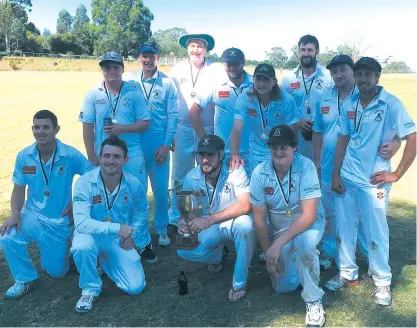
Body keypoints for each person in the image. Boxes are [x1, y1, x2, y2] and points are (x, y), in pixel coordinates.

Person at [326, 57, 416, 306]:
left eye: (368, 75)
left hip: (374, 181)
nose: (364, 79)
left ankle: (382, 281)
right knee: (344, 227)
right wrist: (335, 174)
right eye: (360, 74)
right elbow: (343, 138)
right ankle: (347, 273)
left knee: (376, 231)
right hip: (348, 177)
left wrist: (396, 174)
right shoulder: (350, 103)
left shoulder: (390, 103)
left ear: (377, 77)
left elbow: (412, 137)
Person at [311, 55, 401, 270]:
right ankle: (332, 252)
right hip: (328, 166)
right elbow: (317, 132)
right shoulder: (323, 98)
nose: (339, 75)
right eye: (335, 71)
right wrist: (316, 161)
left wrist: (396, 144)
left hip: (358, 169)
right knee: (333, 214)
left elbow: (393, 131)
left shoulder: (364, 94)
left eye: (343, 70)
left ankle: (369, 254)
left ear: (352, 72)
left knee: (363, 216)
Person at [0, 110, 93, 299]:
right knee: (7, 236)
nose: (40, 131)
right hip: (32, 215)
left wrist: (77, 203)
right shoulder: (24, 156)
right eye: (36, 127)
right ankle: (24, 279)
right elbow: (18, 189)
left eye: (45, 127)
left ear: (56, 129)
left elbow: (92, 177)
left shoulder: (70, 154)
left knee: (57, 273)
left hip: (59, 221)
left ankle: (67, 254)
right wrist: (16, 214)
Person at [79, 52, 157, 262]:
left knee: (136, 196)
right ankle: (108, 242)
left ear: (122, 68)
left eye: (115, 67)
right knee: (104, 199)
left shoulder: (133, 91)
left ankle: (141, 241)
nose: (111, 71)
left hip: (132, 153)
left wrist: (122, 128)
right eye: (107, 67)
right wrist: (92, 156)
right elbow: (87, 128)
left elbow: (145, 122)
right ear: (102, 69)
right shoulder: (93, 93)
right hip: (104, 155)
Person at [250, 125, 326, 327]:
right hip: (280, 229)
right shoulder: (259, 173)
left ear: (294, 147)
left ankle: (314, 301)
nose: (278, 151)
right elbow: (259, 220)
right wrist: (269, 255)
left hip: (308, 223)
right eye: (273, 146)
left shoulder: (306, 166)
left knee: (304, 245)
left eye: (284, 146)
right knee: (283, 287)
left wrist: (277, 245)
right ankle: (299, 264)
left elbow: (309, 216)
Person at [71, 136, 150, 313]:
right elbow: (82, 223)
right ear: (99, 158)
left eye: (116, 156)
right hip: (91, 235)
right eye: (106, 156)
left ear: (125, 160)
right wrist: (118, 228)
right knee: (82, 247)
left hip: (118, 239)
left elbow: (141, 212)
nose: (111, 161)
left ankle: (103, 261)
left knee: (135, 287)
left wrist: (133, 236)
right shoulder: (84, 182)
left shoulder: (134, 184)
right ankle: (89, 289)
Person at [177, 135, 255, 301]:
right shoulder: (191, 177)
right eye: (202, 154)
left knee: (246, 225)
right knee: (183, 249)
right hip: (209, 225)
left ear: (221, 155)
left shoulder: (236, 170)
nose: (205, 159)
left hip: (233, 220)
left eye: (210, 155)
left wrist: (209, 220)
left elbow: (245, 205)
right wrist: (184, 221)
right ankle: (219, 255)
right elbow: (186, 209)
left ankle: (239, 282)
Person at [124, 41, 179, 247]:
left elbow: (173, 114)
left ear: (158, 57)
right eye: (144, 55)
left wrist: (166, 144)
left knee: (160, 190)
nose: (148, 59)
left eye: (152, 56)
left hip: (158, 142)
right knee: (135, 188)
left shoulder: (168, 83)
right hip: (135, 142)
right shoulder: (130, 81)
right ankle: (135, 228)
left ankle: (162, 229)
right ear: (139, 57)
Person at [189, 47, 253, 176]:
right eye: (229, 64)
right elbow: (193, 112)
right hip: (223, 152)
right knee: (223, 193)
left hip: (252, 152)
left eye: (236, 64)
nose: (232, 68)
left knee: (251, 194)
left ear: (243, 63)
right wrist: (205, 140)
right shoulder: (216, 84)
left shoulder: (255, 83)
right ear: (224, 64)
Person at [229, 63, 298, 175]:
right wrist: (234, 153)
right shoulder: (245, 97)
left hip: (279, 152)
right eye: (258, 79)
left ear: (274, 82)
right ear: (253, 80)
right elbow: (237, 128)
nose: (261, 84)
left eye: (266, 80)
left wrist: (291, 154)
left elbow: (293, 129)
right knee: (257, 188)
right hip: (255, 153)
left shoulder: (286, 99)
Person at [281, 35, 333, 160]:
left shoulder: (328, 76)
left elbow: (335, 105)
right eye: (303, 50)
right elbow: (283, 107)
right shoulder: (289, 78)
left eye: (310, 50)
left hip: (323, 136)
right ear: (298, 52)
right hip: (297, 136)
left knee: (320, 171)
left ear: (317, 51)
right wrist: (298, 123)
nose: (306, 53)